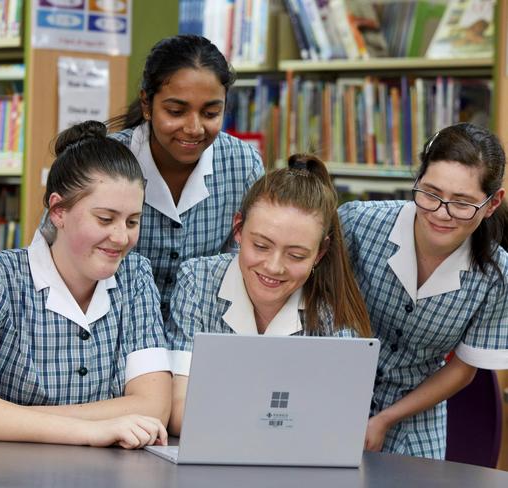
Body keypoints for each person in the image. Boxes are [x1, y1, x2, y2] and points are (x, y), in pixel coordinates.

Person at [0, 121, 171, 449]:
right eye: (105, 219)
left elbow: (154, 407)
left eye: (132, 221)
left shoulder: (136, 277)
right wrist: (94, 430)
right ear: (58, 211)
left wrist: (9, 417)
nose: (121, 237)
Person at [166, 155, 372, 435]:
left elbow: (338, 427)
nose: (274, 267)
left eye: (296, 255)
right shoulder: (197, 281)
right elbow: (178, 410)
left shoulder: (332, 310)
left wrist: (224, 415)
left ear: (320, 253)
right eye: (261, 246)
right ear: (238, 229)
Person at [338, 123, 508, 459]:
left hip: (415, 413)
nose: (440, 214)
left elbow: (463, 369)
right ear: (416, 180)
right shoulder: (357, 224)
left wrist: (386, 419)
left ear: (492, 203)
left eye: (462, 203)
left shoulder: (497, 275)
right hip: (333, 392)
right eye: (430, 193)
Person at [108, 34, 265, 319]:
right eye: (176, 111)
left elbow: (249, 262)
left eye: (211, 113)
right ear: (147, 104)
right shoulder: (105, 161)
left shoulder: (243, 164)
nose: (194, 128)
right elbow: (58, 256)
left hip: (204, 327)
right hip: (115, 329)